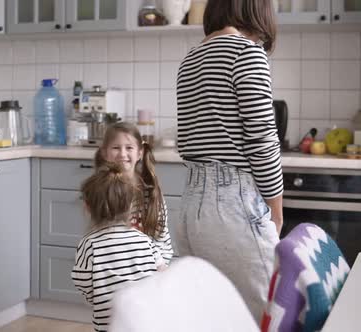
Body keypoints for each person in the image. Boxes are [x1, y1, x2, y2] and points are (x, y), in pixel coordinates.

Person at [174, 0, 283, 323]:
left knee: (210, 318)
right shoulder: (247, 53)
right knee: (266, 316)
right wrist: (275, 211)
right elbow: (262, 141)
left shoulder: (189, 60)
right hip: (233, 207)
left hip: (191, 207)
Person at [72, 162, 165, 332]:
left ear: (87, 207)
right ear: (131, 206)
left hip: (109, 324)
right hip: (144, 322)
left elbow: (82, 281)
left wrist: (97, 297)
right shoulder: (145, 241)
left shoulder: (89, 244)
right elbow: (162, 274)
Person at [94, 122, 174, 265]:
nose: (123, 154)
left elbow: (162, 240)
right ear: (105, 152)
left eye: (129, 147)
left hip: (151, 267)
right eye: (116, 148)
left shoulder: (151, 191)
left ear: (140, 153)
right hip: (114, 267)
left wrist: (159, 268)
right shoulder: (100, 190)